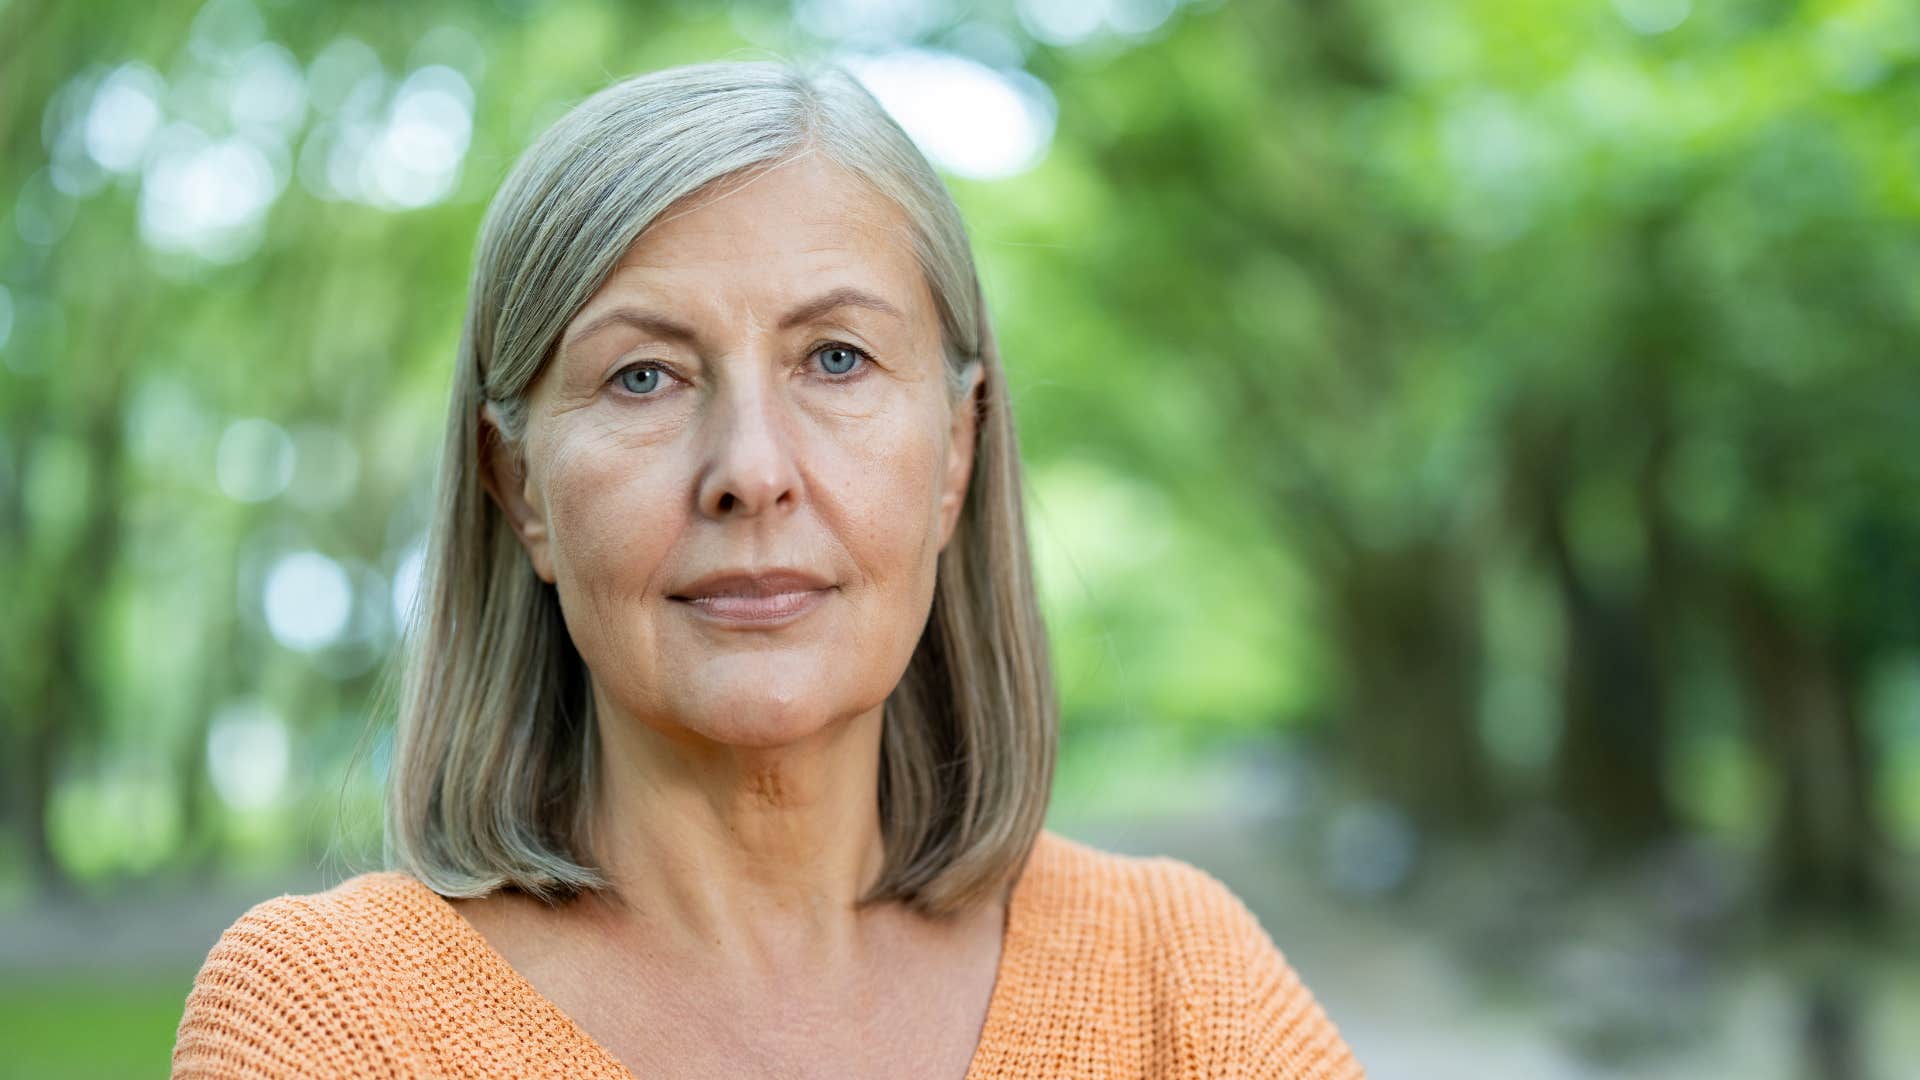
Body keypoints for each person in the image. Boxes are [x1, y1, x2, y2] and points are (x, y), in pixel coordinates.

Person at [172, 60, 1365, 1079]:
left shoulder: (1179, 990)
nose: (750, 470)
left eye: (835, 358)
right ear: (517, 486)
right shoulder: (331, 1028)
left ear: (956, 454)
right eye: (644, 375)